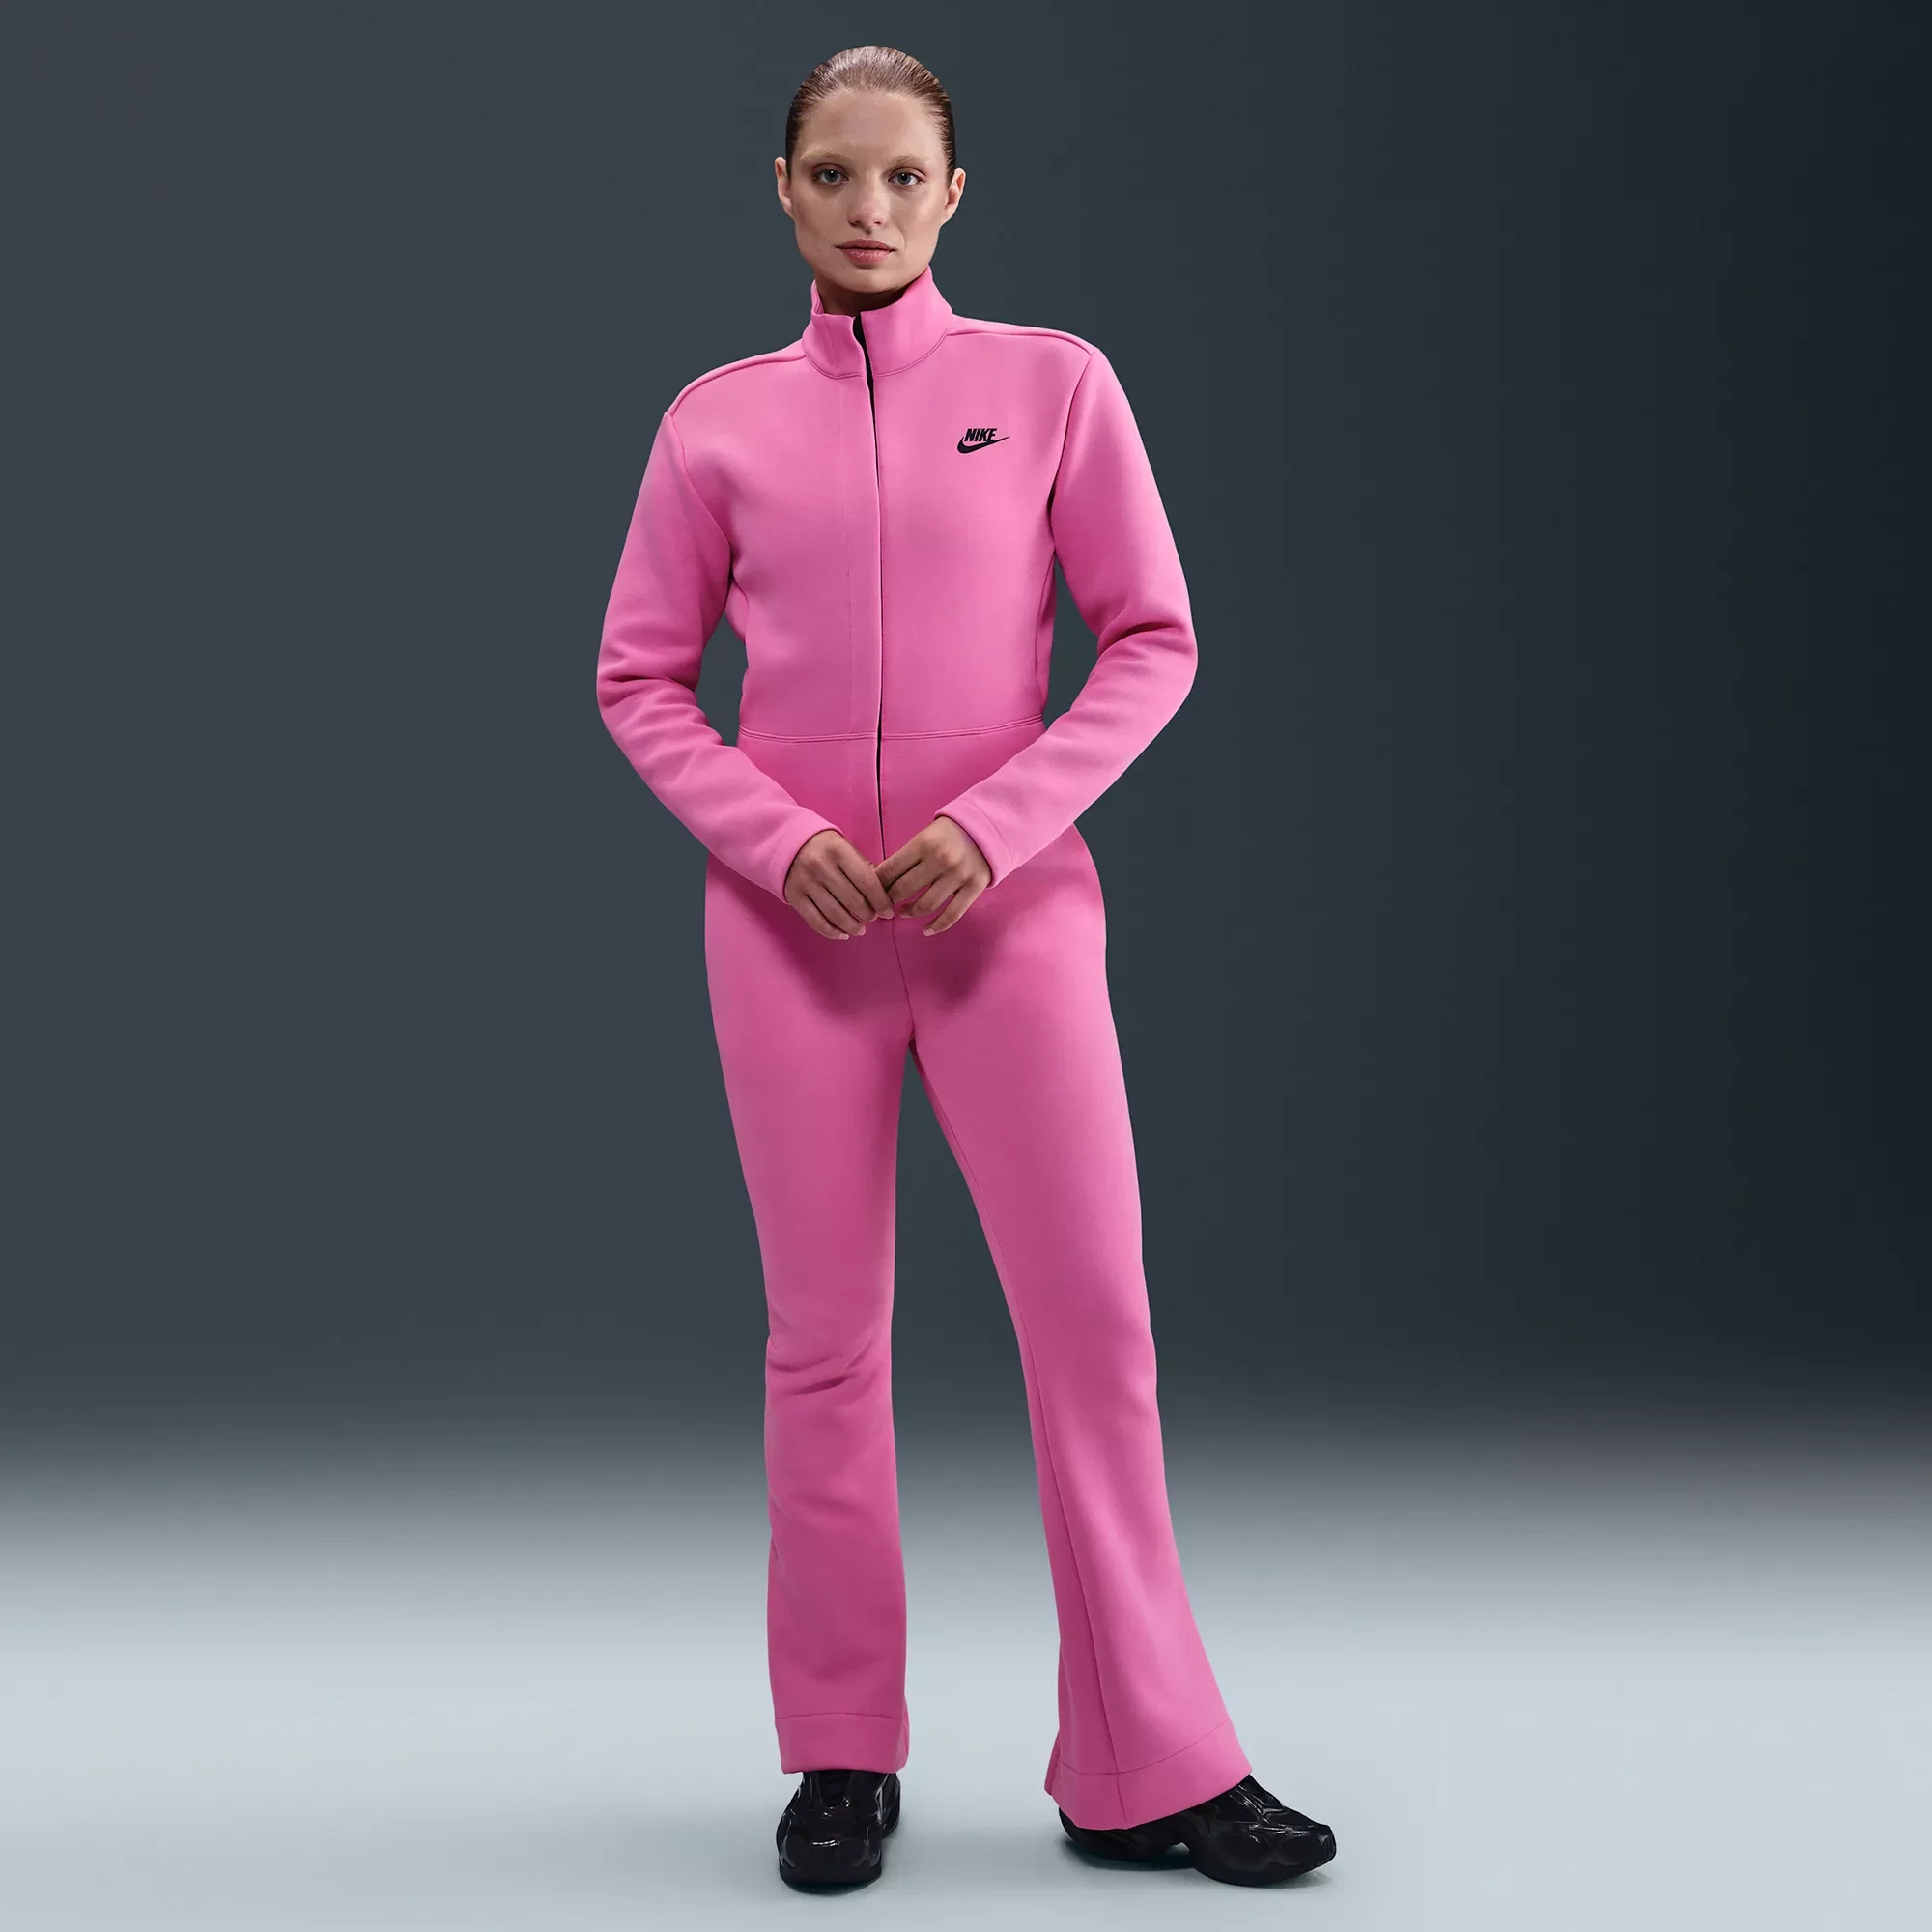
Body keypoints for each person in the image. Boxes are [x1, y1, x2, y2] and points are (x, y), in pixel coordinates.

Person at [595, 45, 1339, 1892]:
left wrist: (998, 824)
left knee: (1095, 1329)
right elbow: (639, 679)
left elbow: (1153, 639)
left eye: (903, 176)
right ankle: (842, 1752)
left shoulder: (1053, 386)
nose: (869, 209)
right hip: (795, 938)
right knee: (823, 1345)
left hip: (1012, 922)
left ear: (952, 193)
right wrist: (775, 840)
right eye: (834, 175)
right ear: (784, 189)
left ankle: (1148, 1764)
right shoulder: (711, 425)